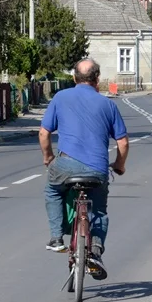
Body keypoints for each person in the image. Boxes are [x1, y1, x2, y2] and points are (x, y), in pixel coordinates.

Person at [39, 59, 129, 280]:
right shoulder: (108, 105)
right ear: (97, 79)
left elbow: (43, 133)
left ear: (73, 77)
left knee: (53, 191)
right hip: (97, 169)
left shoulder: (60, 98)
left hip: (65, 165)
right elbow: (123, 143)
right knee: (98, 210)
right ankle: (96, 250)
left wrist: (48, 157)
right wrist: (119, 166)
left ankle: (57, 238)